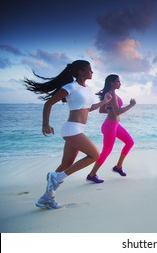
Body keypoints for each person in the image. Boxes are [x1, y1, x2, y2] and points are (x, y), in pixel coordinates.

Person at [23, 60, 112, 209]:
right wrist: (45, 124)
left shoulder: (87, 89)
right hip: (71, 129)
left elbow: (88, 109)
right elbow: (48, 103)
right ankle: (57, 177)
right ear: (80, 72)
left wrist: (104, 102)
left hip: (78, 129)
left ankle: (47, 198)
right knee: (95, 155)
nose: (92, 72)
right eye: (89, 70)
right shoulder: (69, 87)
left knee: (66, 164)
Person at [86, 74, 136, 183]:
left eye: (119, 81)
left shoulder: (110, 94)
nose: (119, 83)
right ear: (111, 83)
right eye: (117, 82)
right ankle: (91, 174)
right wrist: (131, 105)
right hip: (110, 126)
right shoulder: (111, 94)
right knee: (107, 150)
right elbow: (117, 112)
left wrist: (110, 109)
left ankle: (118, 167)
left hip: (115, 125)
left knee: (130, 142)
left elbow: (102, 110)